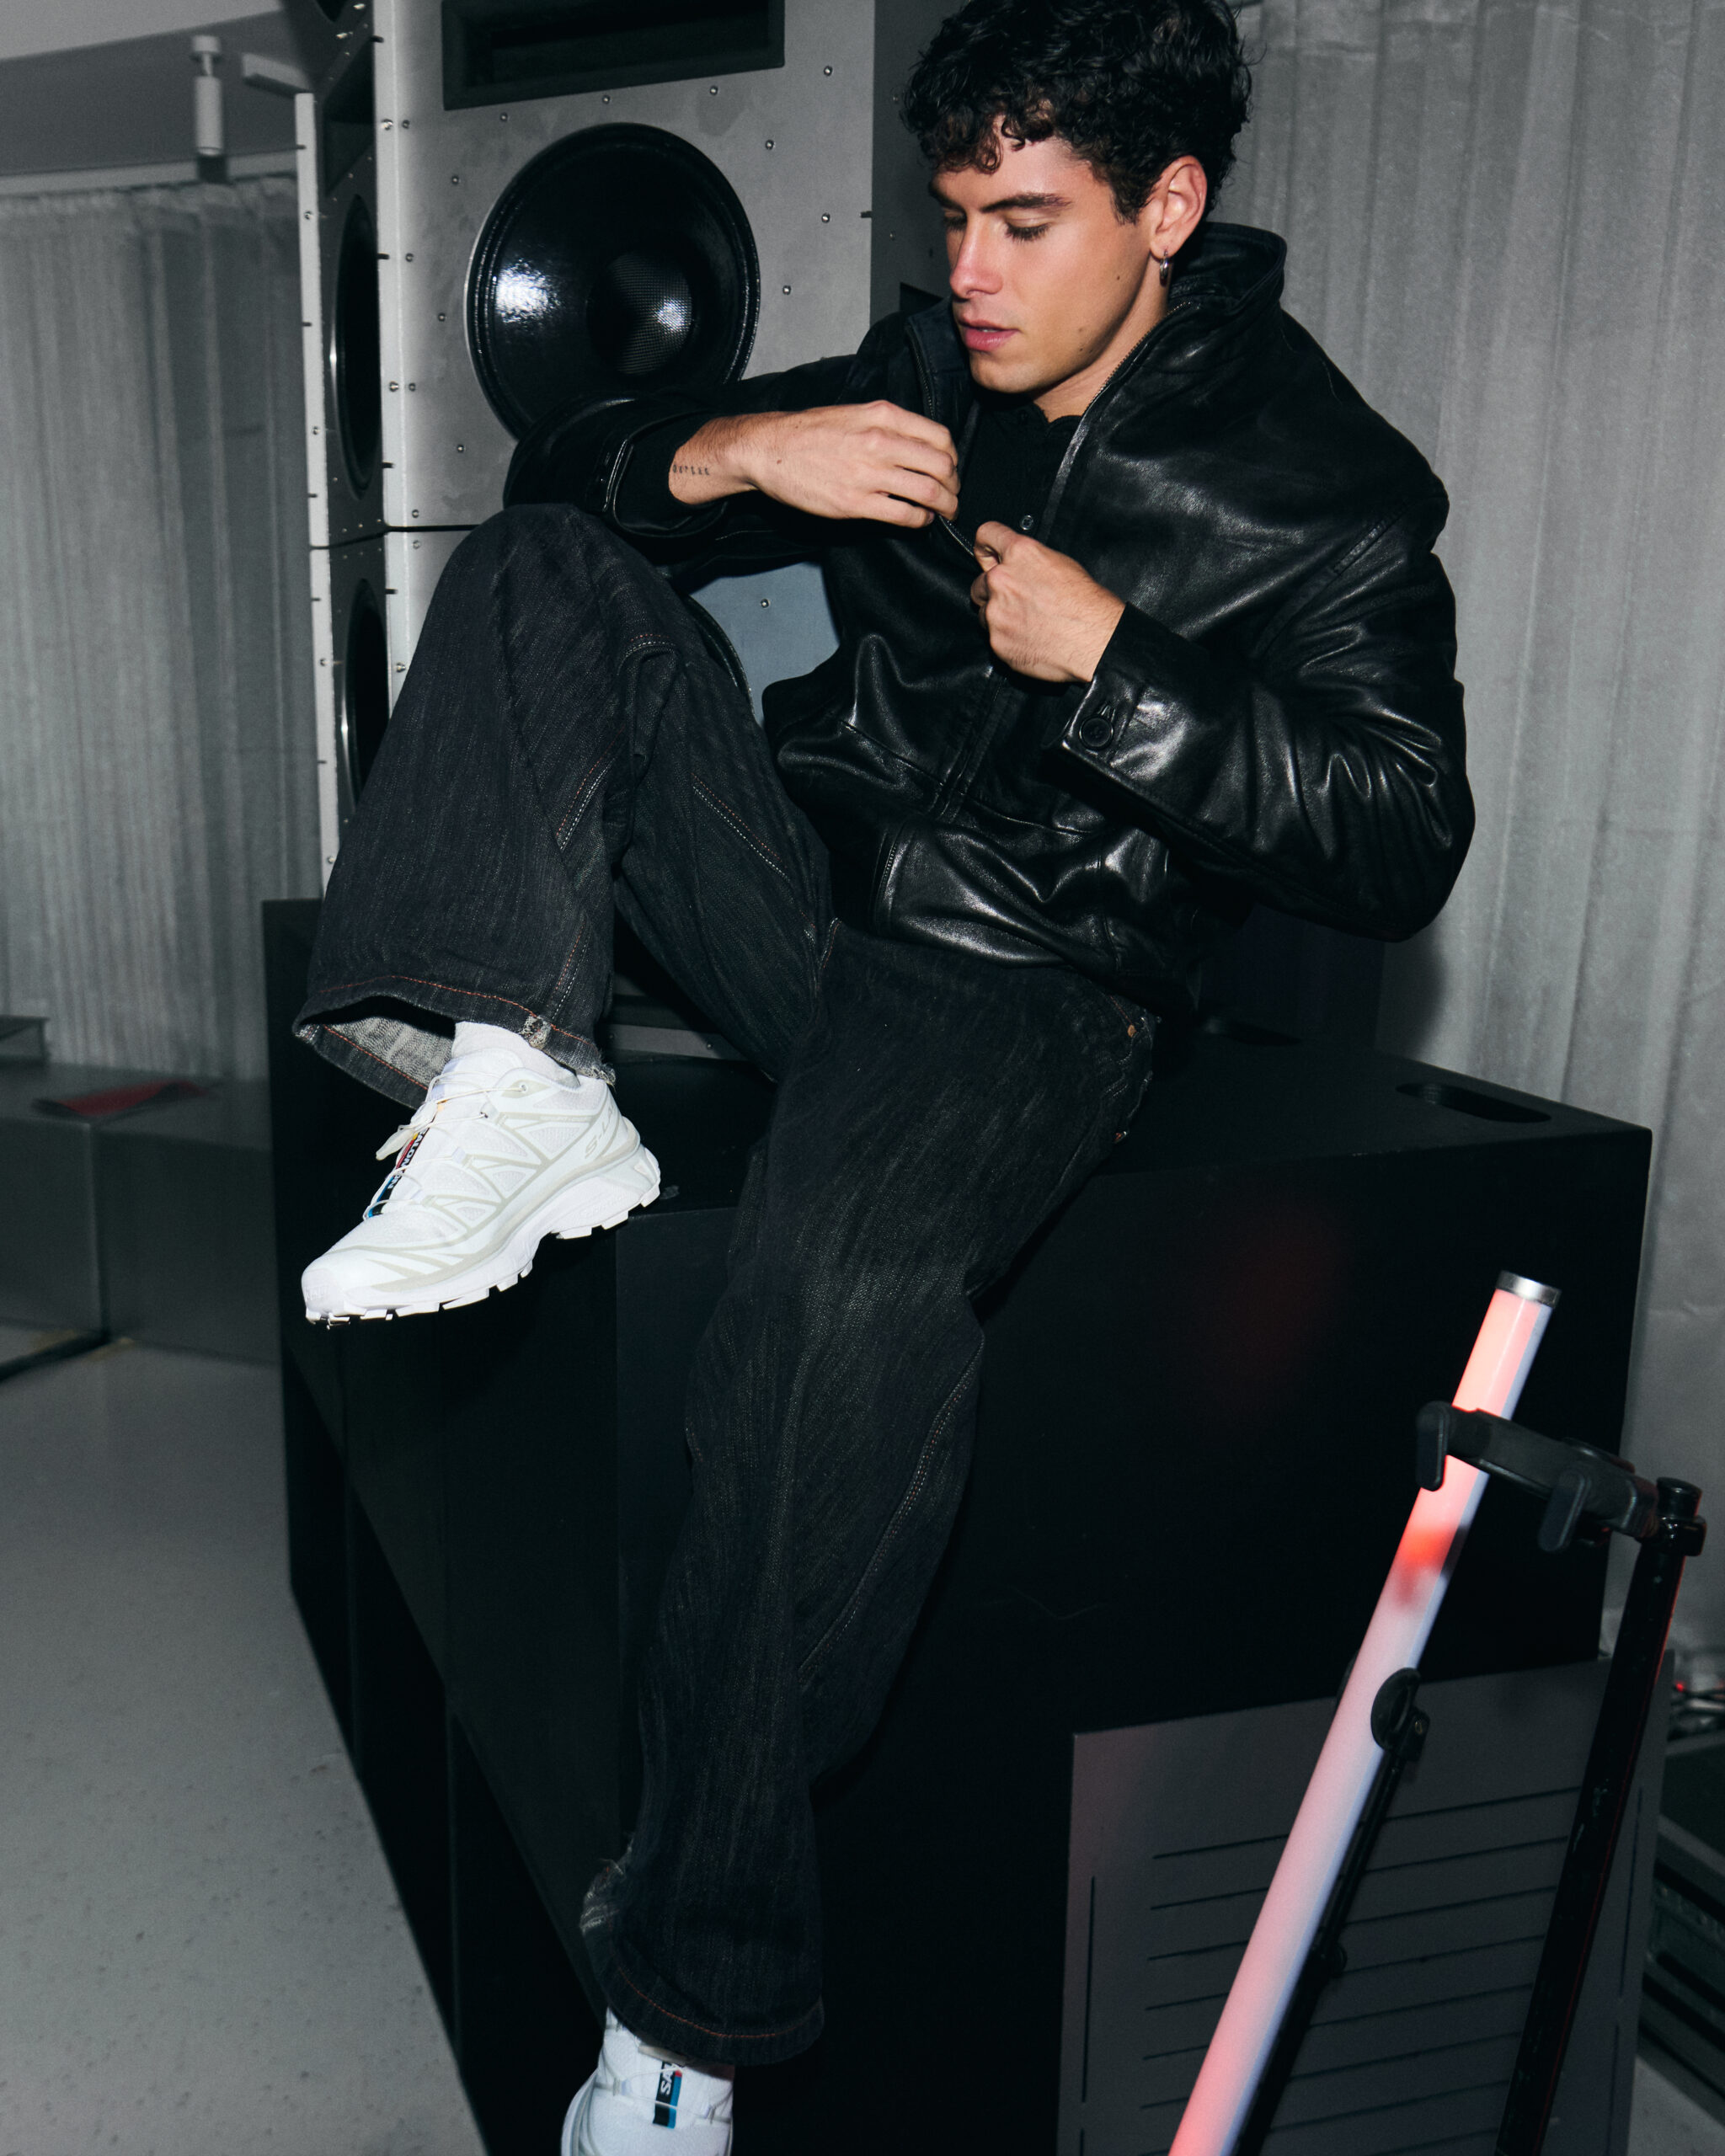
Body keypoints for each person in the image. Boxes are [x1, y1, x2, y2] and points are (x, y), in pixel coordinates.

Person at [293, 0, 1473, 2145]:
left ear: (1169, 208)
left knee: (824, 1316)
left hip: (1036, 985)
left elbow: (1401, 832)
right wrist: (737, 458)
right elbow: (566, 488)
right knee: (547, 566)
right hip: (808, 904)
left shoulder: (1324, 486)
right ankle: (524, 1069)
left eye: (1025, 222)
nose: (974, 273)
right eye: (954, 220)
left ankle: (689, 2013)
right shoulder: (929, 368)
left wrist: (1120, 668)